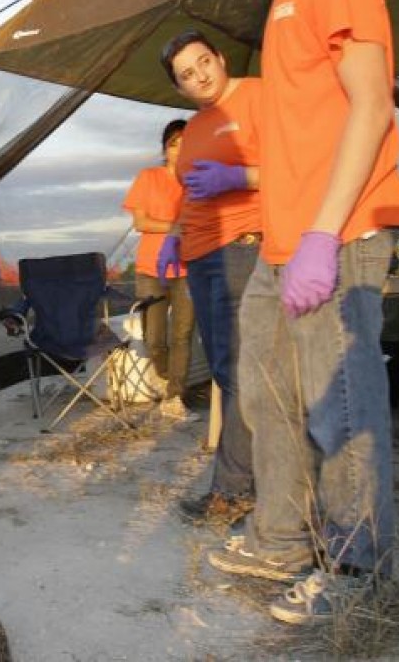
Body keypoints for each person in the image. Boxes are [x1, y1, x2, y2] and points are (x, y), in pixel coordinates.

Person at [205, 0, 399, 625]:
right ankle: (281, 538)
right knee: (267, 394)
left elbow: (373, 104)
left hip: (340, 229)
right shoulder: (281, 0)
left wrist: (324, 233)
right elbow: (299, 139)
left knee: (342, 404)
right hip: (279, 240)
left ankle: (360, 564)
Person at [157, 31, 261, 524]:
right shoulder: (197, 126)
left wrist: (240, 178)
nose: (200, 77)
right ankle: (242, 485)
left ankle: (237, 492)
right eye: (187, 76)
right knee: (224, 371)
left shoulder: (258, 95)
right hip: (199, 256)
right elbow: (190, 192)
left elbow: (299, 162)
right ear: (179, 89)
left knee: (241, 373)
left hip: (243, 247)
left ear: (220, 58)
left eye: (204, 63)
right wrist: (174, 234)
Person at [122, 119, 200, 423]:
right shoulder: (148, 177)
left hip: (188, 268)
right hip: (151, 269)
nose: (180, 150)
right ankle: (169, 380)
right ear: (165, 148)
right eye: (174, 143)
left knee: (183, 334)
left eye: (186, 143)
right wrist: (176, 228)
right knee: (155, 338)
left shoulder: (196, 181)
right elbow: (140, 223)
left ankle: (175, 396)